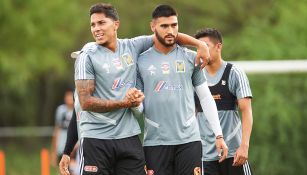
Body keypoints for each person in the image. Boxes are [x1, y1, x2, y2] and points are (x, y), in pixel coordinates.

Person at [69, 3, 213, 175]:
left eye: (101, 23)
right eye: (93, 24)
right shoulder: (87, 56)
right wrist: (124, 103)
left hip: (129, 136)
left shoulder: (132, 46)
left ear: (116, 24)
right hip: (96, 138)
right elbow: (85, 102)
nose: (96, 29)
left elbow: (167, 34)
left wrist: (200, 45)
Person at [136, 5, 228, 175]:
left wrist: (219, 135)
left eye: (174, 25)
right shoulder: (140, 61)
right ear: (153, 26)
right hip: (155, 143)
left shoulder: (191, 57)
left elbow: (206, 98)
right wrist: (134, 105)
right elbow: (139, 105)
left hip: (189, 142)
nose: (170, 30)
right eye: (164, 26)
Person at [194, 28, 253, 175]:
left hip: (234, 154)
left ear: (218, 46)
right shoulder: (194, 75)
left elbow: (246, 111)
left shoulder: (234, 73)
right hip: (205, 156)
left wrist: (244, 146)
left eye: (205, 46)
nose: (201, 51)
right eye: (198, 47)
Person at [51, 88, 78, 174]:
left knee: (74, 170)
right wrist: (54, 152)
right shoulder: (61, 110)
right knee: (62, 170)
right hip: (62, 147)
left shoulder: (78, 109)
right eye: (67, 96)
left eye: (71, 95)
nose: (69, 98)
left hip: (75, 148)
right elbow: (57, 130)